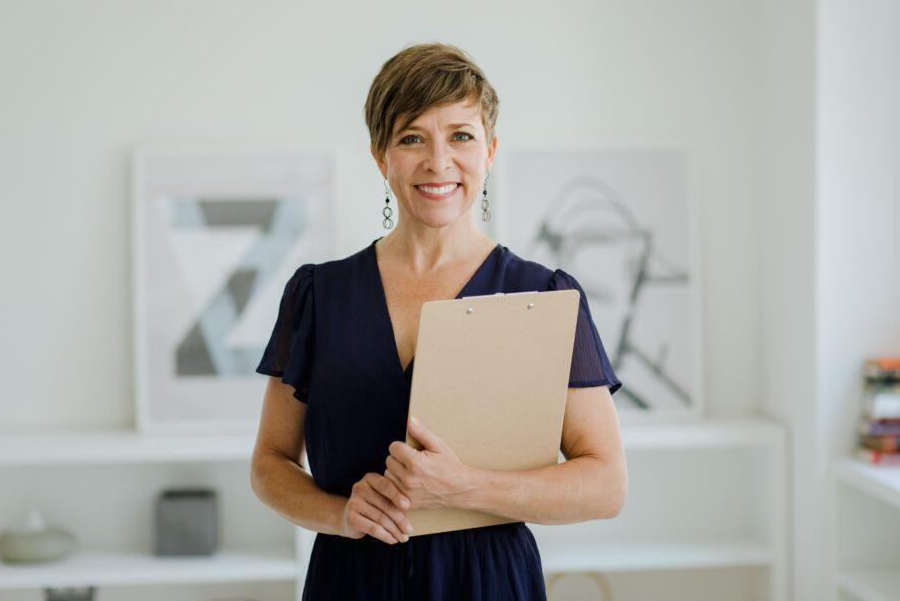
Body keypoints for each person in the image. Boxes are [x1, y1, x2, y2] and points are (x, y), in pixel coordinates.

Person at [250, 42, 627, 600]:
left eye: (461, 136)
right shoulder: (317, 295)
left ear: (490, 149)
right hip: (348, 581)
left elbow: (605, 485)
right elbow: (270, 464)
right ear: (381, 155)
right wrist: (342, 515)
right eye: (411, 138)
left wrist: (467, 487)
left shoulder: (542, 294)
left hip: (488, 583)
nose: (438, 161)